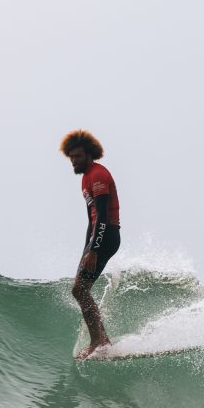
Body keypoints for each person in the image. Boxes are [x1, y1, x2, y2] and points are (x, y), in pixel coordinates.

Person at [60, 129, 121, 359]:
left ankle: (100, 341)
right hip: (98, 237)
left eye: (77, 156)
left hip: (107, 236)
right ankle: (102, 340)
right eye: (71, 157)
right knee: (79, 289)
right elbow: (91, 219)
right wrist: (86, 249)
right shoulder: (86, 178)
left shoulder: (98, 175)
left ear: (89, 154)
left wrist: (94, 248)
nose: (73, 161)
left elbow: (103, 216)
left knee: (79, 289)